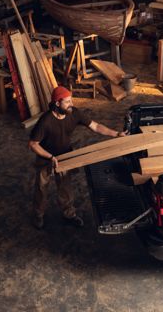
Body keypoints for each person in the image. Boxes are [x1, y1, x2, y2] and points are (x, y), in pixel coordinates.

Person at [28, 86, 126, 230]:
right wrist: (50, 157)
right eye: (67, 101)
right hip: (46, 160)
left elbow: (96, 126)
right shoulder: (46, 121)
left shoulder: (74, 113)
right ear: (57, 103)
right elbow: (33, 144)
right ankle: (38, 215)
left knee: (66, 188)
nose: (71, 104)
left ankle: (69, 214)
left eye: (71, 100)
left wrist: (117, 134)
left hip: (65, 157)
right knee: (41, 190)